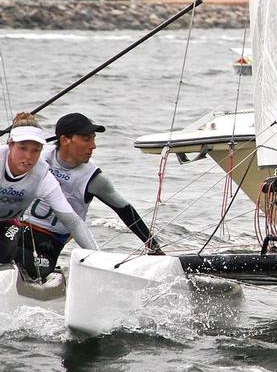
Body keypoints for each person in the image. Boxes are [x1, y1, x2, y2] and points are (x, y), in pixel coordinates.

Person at [17, 112, 162, 277]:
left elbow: (126, 212)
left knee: (19, 259)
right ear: (64, 140)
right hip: (16, 231)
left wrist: (155, 248)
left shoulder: (93, 178)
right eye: (87, 139)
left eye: (93, 139)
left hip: (47, 246)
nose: (93, 146)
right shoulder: (38, 158)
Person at [0, 113, 99, 279]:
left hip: (8, 225)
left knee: (6, 250)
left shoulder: (42, 175)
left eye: (35, 150)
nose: (28, 157)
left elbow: (72, 220)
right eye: (22, 148)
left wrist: (98, 259)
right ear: (10, 145)